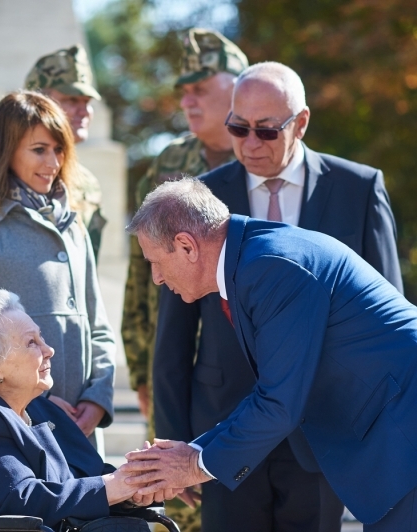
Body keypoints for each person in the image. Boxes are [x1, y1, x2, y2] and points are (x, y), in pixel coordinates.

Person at [149, 61, 402, 532]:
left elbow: (380, 326)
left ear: (300, 123)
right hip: (223, 424)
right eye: (237, 128)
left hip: (325, 430)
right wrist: (178, 443)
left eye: (265, 131)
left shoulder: (359, 189)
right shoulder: (202, 197)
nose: (248, 144)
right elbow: (174, 333)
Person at [122, 177, 417, 532]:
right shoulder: (253, 259)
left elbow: (279, 402)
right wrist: (192, 454)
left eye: (155, 261)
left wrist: (192, 466)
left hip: (403, 435)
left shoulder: (272, 267)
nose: (155, 277)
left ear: (186, 246)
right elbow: (272, 391)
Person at [0, 91, 116, 452]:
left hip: (84, 430)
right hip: (13, 429)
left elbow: (98, 327)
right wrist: (34, 402)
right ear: (6, 150)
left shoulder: (74, 227)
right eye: (39, 149)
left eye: (59, 149)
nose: (53, 161)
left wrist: (97, 401)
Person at [0, 290, 148, 532]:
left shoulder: (38, 406)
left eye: (41, 338)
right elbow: (18, 500)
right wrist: (112, 488)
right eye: (32, 343)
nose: (48, 350)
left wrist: (136, 486)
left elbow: (90, 473)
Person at [123, 27, 246, 426]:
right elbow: (140, 275)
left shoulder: (264, 162)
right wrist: (142, 371)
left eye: (201, 88)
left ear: (238, 92)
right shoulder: (168, 163)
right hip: (178, 366)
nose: (187, 100)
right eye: (184, 90)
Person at [0, 45, 107, 260]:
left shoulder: (88, 184)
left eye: (87, 102)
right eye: (71, 100)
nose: (83, 111)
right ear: (39, 103)